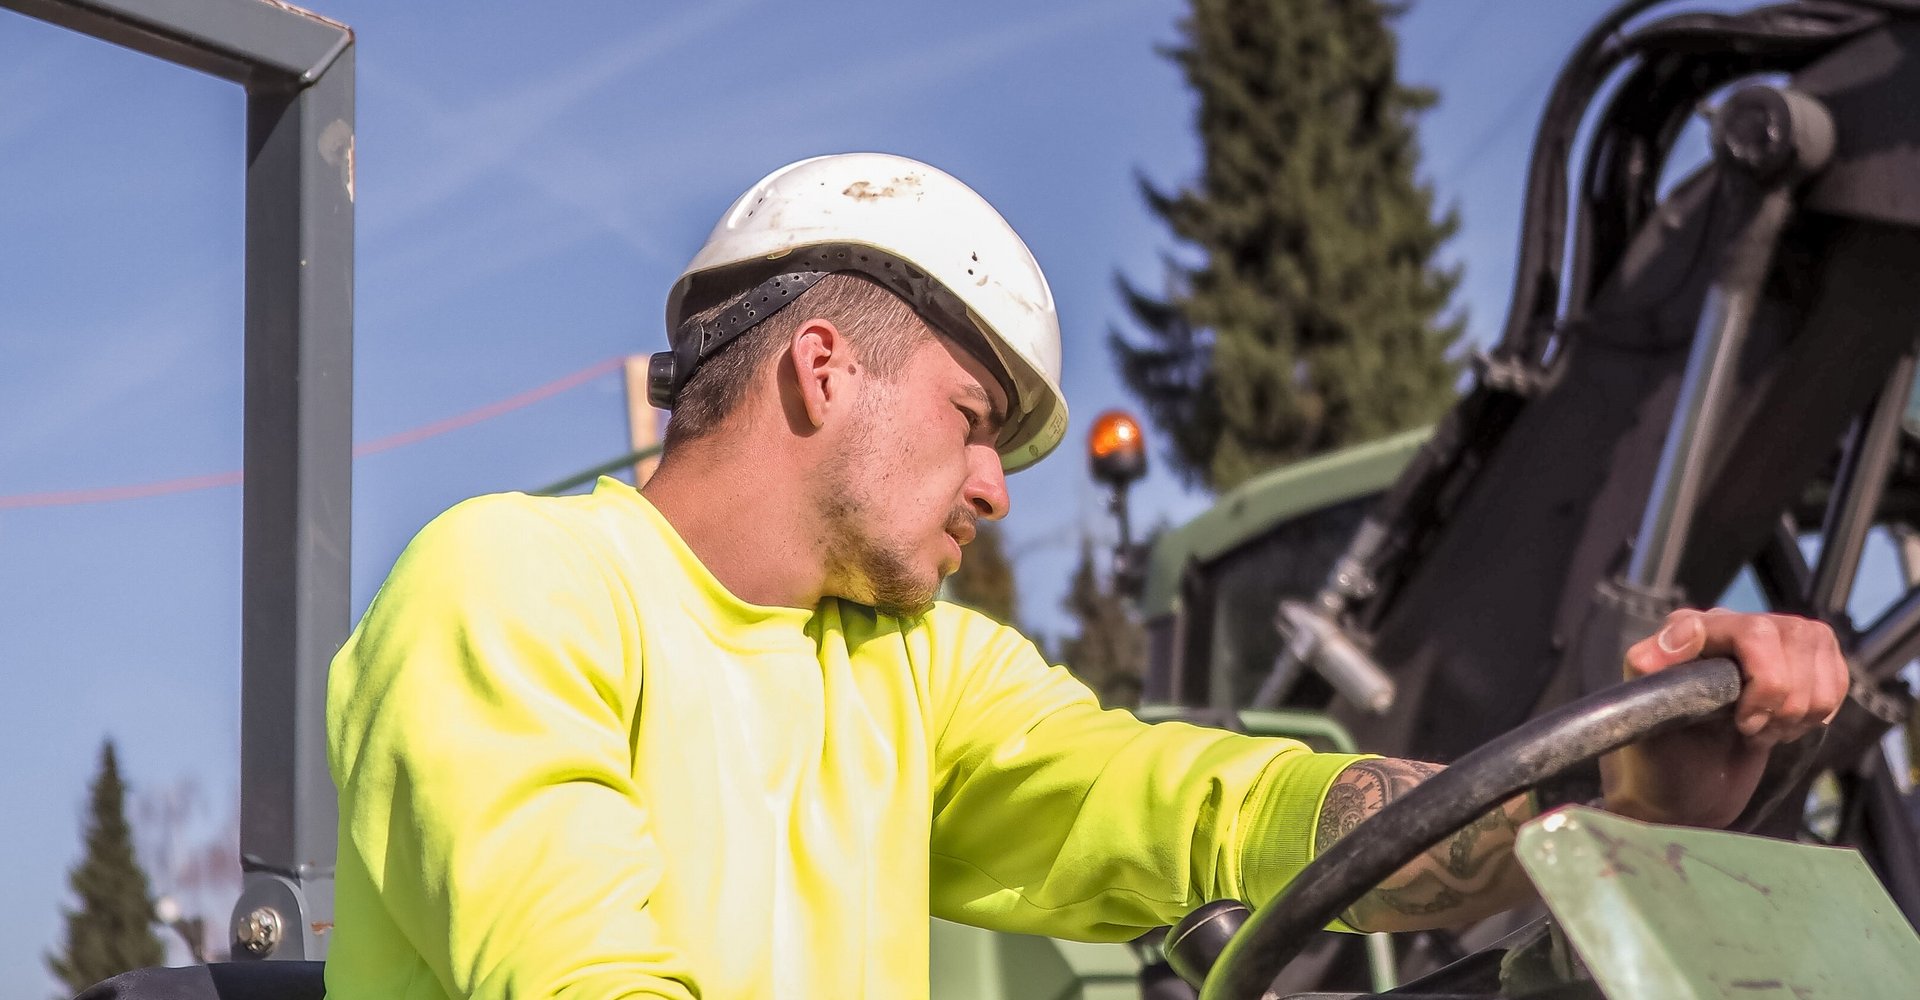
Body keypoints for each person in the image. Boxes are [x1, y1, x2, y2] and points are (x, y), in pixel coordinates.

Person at [323, 153, 1848, 999]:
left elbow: (1216, 811)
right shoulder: (513, 585)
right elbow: (580, 974)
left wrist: (1606, 809)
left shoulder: (914, 672)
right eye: (974, 421)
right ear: (822, 367)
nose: (996, 488)